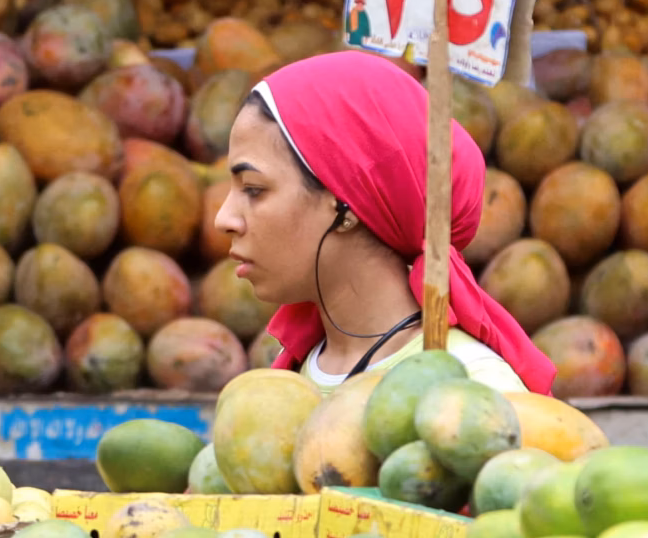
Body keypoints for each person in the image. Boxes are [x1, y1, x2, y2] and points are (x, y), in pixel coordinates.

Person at [215, 49, 554, 394]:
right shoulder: (290, 379)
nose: (223, 219)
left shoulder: (471, 393)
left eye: (254, 189)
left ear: (347, 207)